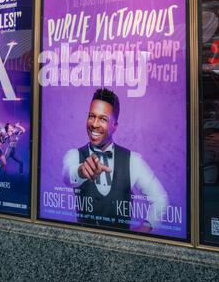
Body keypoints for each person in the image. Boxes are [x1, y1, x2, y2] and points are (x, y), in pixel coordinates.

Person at [62, 88, 168, 232]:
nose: (94, 124)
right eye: (91, 116)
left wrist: (146, 227)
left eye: (103, 119)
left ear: (114, 126)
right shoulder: (74, 155)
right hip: (83, 243)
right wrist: (81, 171)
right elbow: (68, 175)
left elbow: (160, 198)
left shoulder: (133, 161)